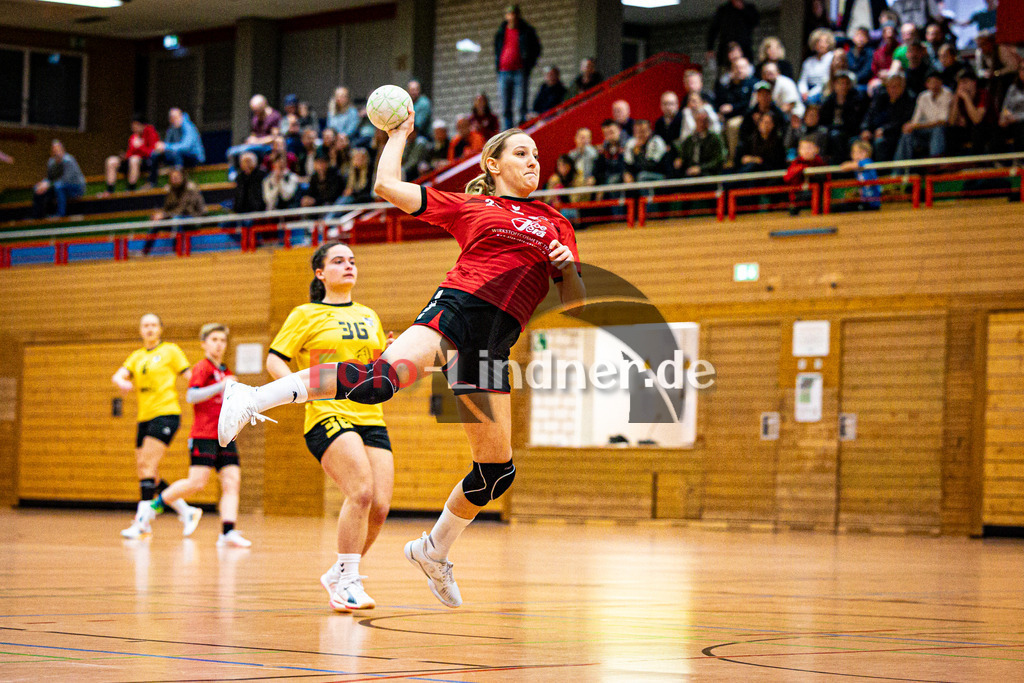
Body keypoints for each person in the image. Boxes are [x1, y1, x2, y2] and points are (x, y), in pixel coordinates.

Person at [218, 115, 585, 611]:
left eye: (536, 156)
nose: (533, 162)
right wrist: (398, 137)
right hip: (456, 309)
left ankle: (433, 550)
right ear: (493, 164)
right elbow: (387, 185)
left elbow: (576, 299)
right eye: (521, 154)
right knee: (377, 382)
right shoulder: (474, 206)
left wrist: (566, 267)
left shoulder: (555, 222)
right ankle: (252, 397)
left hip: (493, 344)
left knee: (496, 473)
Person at [259, 242, 395, 610]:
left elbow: (370, 365)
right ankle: (349, 581)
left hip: (370, 415)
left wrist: (387, 354)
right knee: (361, 491)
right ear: (320, 273)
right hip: (327, 414)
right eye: (338, 261)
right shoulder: (306, 313)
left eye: (352, 260)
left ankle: (339, 571)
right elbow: (275, 359)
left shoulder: (369, 315)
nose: (348, 265)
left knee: (380, 506)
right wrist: (298, 392)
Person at [135, 324, 251, 547]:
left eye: (222, 340)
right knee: (197, 482)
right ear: (204, 344)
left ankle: (228, 532)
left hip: (225, 435)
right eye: (214, 339)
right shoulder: (202, 368)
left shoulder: (226, 371)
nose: (219, 344)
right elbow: (191, 395)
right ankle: (155, 505)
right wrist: (220, 386)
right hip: (204, 434)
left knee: (232, 481)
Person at [112, 314, 199, 539]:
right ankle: (186, 510)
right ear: (140, 330)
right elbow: (119, 375)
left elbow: (191, 378)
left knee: (146, 464)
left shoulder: (170, 351)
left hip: (166, 414)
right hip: (145, 417)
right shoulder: (137, 356)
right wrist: (122, 381)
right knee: (147, 470)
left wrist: (206, 393)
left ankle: (142, 522)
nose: (149, 329)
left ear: (160, 328)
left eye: (153, 325)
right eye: (145, 326)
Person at [494, 3, 542, 129]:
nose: (512, 17)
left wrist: (528, 65)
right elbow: (497, 50)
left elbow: (536, 49)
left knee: (521, 105)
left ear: (518, 16)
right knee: (505, 106)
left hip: (520, 71)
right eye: (510, 14)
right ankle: (507, 130)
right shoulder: (501, 32)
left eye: (514, 14)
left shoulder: (526, 31)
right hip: (504, 72)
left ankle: (522, 127)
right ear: (506, 16)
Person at [895, 70, 951, 160]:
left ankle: (935, 162)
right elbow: (915, 120)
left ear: (941, 82)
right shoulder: (923, 96)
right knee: (907, 132)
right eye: (931, 82)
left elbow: (942, 121)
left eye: (936, 82)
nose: (934, 85)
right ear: (927, 84)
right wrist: (910, 126)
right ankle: (900, 168)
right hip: (924, 129)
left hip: (943, 129)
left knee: (938, 129)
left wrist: (916, 125)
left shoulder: (947, 93)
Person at [860, 71, 915, 161]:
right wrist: (865, 129)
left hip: (894, 134)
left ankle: (883, 173)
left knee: (880, 143)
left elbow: (902, 121)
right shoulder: (881, 97)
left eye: (896, 86)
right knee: (856, 142)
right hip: (876, 131)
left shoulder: (909, 99)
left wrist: (884, 130)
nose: (893, 89)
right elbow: (870, 114)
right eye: (890, 86)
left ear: (903, 87)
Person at [226, 95, 282, 179]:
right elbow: (254, 134)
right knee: (231, 151)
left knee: (243, 150)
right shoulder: (255, 118)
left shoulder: (274, 116)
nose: (256, 113)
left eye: (258, 110)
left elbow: (275, 138)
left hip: (267, 147)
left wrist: (257, 141)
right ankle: (234, 175)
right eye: (254, 111)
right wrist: (250, 140)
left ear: (264, 105)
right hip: (255, 146)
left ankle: (236, 176)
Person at [104, 115, 159, 195]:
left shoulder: (150, 132)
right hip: (131, 161)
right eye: (133, 126)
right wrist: (124, 157)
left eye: (136, 125)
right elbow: (130, 152)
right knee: (111, 160)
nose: (134, 128)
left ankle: (130, 189)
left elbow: (152, 152)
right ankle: (110, 190)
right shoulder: (133, 136)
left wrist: (140, 147)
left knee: (134, 159)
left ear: (142, 125)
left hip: (145, 162)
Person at [150, 108, 205, 186]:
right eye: (172, 118)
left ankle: (178, 182)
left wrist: (166, 147)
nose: (174, 120)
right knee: (156, 154)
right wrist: (161, 148)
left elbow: (186, 147)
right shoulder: (172, 129)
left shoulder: (188, 127)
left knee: (176, 153)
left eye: (176, 117)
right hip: (178, 157)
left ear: (181, 116)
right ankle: (152, 183)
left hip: (194, 157)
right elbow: (167, 144)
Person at [32, 139, 85, 219]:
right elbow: (50, 178)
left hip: (76, 188)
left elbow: (66, 179)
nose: (56, 153)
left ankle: (60, 215)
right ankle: (38, 216)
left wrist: (48, 184)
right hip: (60, 186)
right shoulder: (51, 162)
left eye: (58, 150)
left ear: (63, 150)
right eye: (54, 151)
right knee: (37, 188)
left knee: (58, 186)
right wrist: (43, 184)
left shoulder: (69, 160)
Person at [820, 71, 866, 162]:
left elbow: (855, 122)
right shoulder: (829, 100)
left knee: (838, 137)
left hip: (850, 132)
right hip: (832, 131)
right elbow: (823, 121)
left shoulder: (856, 100)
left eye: (846, 84)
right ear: (834, 85)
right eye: (840, 84)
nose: (843, 87)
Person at [947, 70, 993, 156]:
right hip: (970, 128)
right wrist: (956, 100)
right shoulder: (959, 97)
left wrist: (966, 98)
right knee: (951, 131)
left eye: (965, 82)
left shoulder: (983, 94)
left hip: (988, 128)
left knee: (978, 129)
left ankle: (976, 162)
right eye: (959, 83)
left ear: (974, 82)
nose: (961, 86)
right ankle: (954, 163)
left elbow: (977, 119)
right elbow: (952, 122)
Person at [673, 109, 727, 177]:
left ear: (707, 123)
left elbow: (719, 160)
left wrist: (700, 168)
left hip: (708, 173)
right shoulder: (690, 140)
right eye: (698, 121)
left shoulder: (715, 139)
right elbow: (683, 154)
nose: (701, 124)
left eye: (703, 121)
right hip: (689, 172)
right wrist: (680, 159)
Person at [706, 0, 760, 66]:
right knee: (725, 71)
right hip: (725, 50)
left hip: (744, 48)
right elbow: (713, 30)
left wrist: (743, 9)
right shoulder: (722, 10)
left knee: (746, 70)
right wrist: (710, 48)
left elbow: (755, 22)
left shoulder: (749, 7)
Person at [784, 136, 825, 214]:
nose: (806, 151)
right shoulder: (796, 164)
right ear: (799, 150)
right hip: (798, 198)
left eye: (809, 148)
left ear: (817, 149)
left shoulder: (821, 163)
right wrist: (802, 168)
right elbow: (787, 178)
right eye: (803, 148)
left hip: (818, 199)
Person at [623, 119, 670, 184]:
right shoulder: (631, 143)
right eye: (637, 132)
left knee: (642, 176)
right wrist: (627, 173)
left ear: (650, 131)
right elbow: (627, 164)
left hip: (661, 175)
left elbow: (650, 167)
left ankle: (647, 194)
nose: (640, 135)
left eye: (643, 132)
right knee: (619, 178)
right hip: (640, 173)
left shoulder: (656, 142)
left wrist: (638, 153)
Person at [840, 139, 882, 210]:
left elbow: (848, 166)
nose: (857, 156)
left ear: (867, 153)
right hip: (864, 200)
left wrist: (845, 165)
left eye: (860, 153)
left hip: (872, 202)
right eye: (854, 153)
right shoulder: (858, 168)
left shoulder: (867, 162)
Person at [799, 29, 837, 103]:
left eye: (825, 42)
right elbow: (802, 80)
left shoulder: (832, 58)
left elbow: (826, 80)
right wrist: (803, 92)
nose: (821, 45)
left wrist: (810, 94)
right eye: (818, 41)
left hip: (824, 90)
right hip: (808, 91)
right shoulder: (808, 61)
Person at [998, 61, 1024, 151]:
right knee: (997, 128)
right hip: (1011, 120)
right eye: (1022, 69)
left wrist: (1016, 118)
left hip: (1020, 120)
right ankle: (998, 161)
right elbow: (1006, 106)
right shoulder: (1013, 88)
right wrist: (1004, 116)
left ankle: (1019, 160)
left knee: (1021, 128)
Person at [595, 119, 627, 186]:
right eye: (606, 134)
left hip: (624, 176)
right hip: (609, 178)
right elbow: (600, 169)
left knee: (612, 180)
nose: (609, 136)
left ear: (619, 130)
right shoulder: (604, 149)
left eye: (612, 132)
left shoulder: (628, 144)